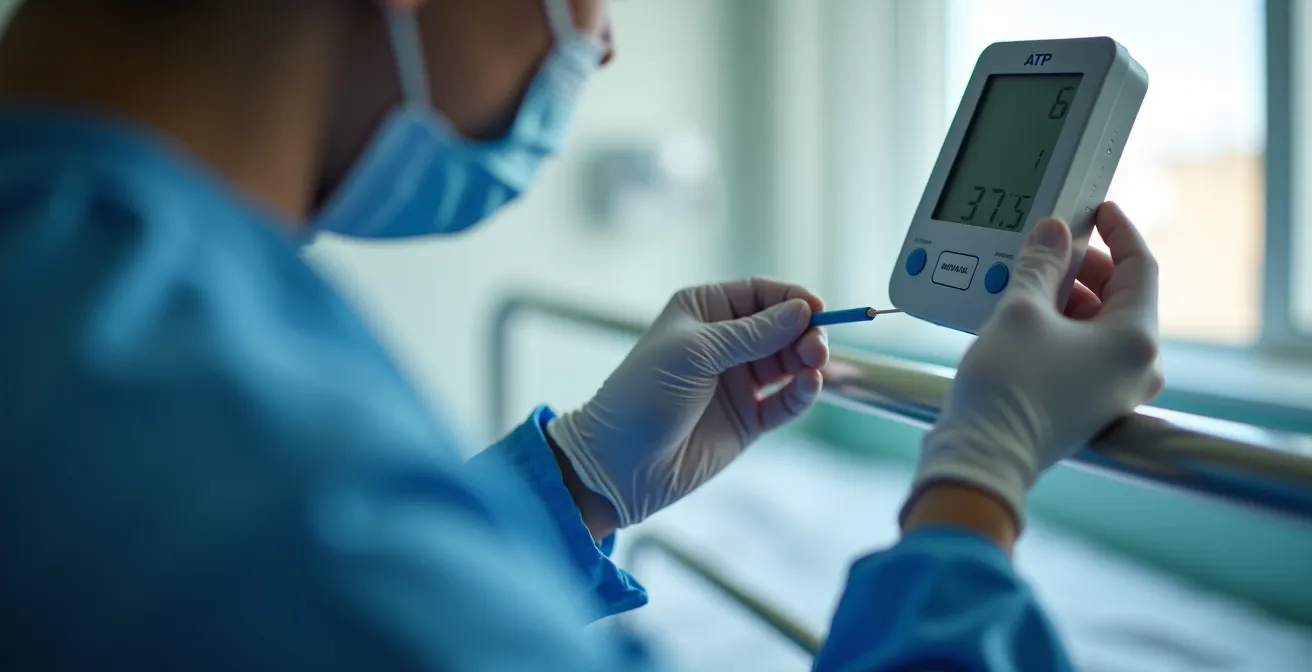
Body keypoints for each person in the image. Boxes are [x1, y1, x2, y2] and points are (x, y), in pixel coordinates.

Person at [0, 0, 1163, 669]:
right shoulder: (271, 487)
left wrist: (575, 480)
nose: (597, 39)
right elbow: (315, 559)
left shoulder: (71, 276)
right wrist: (975, 486)